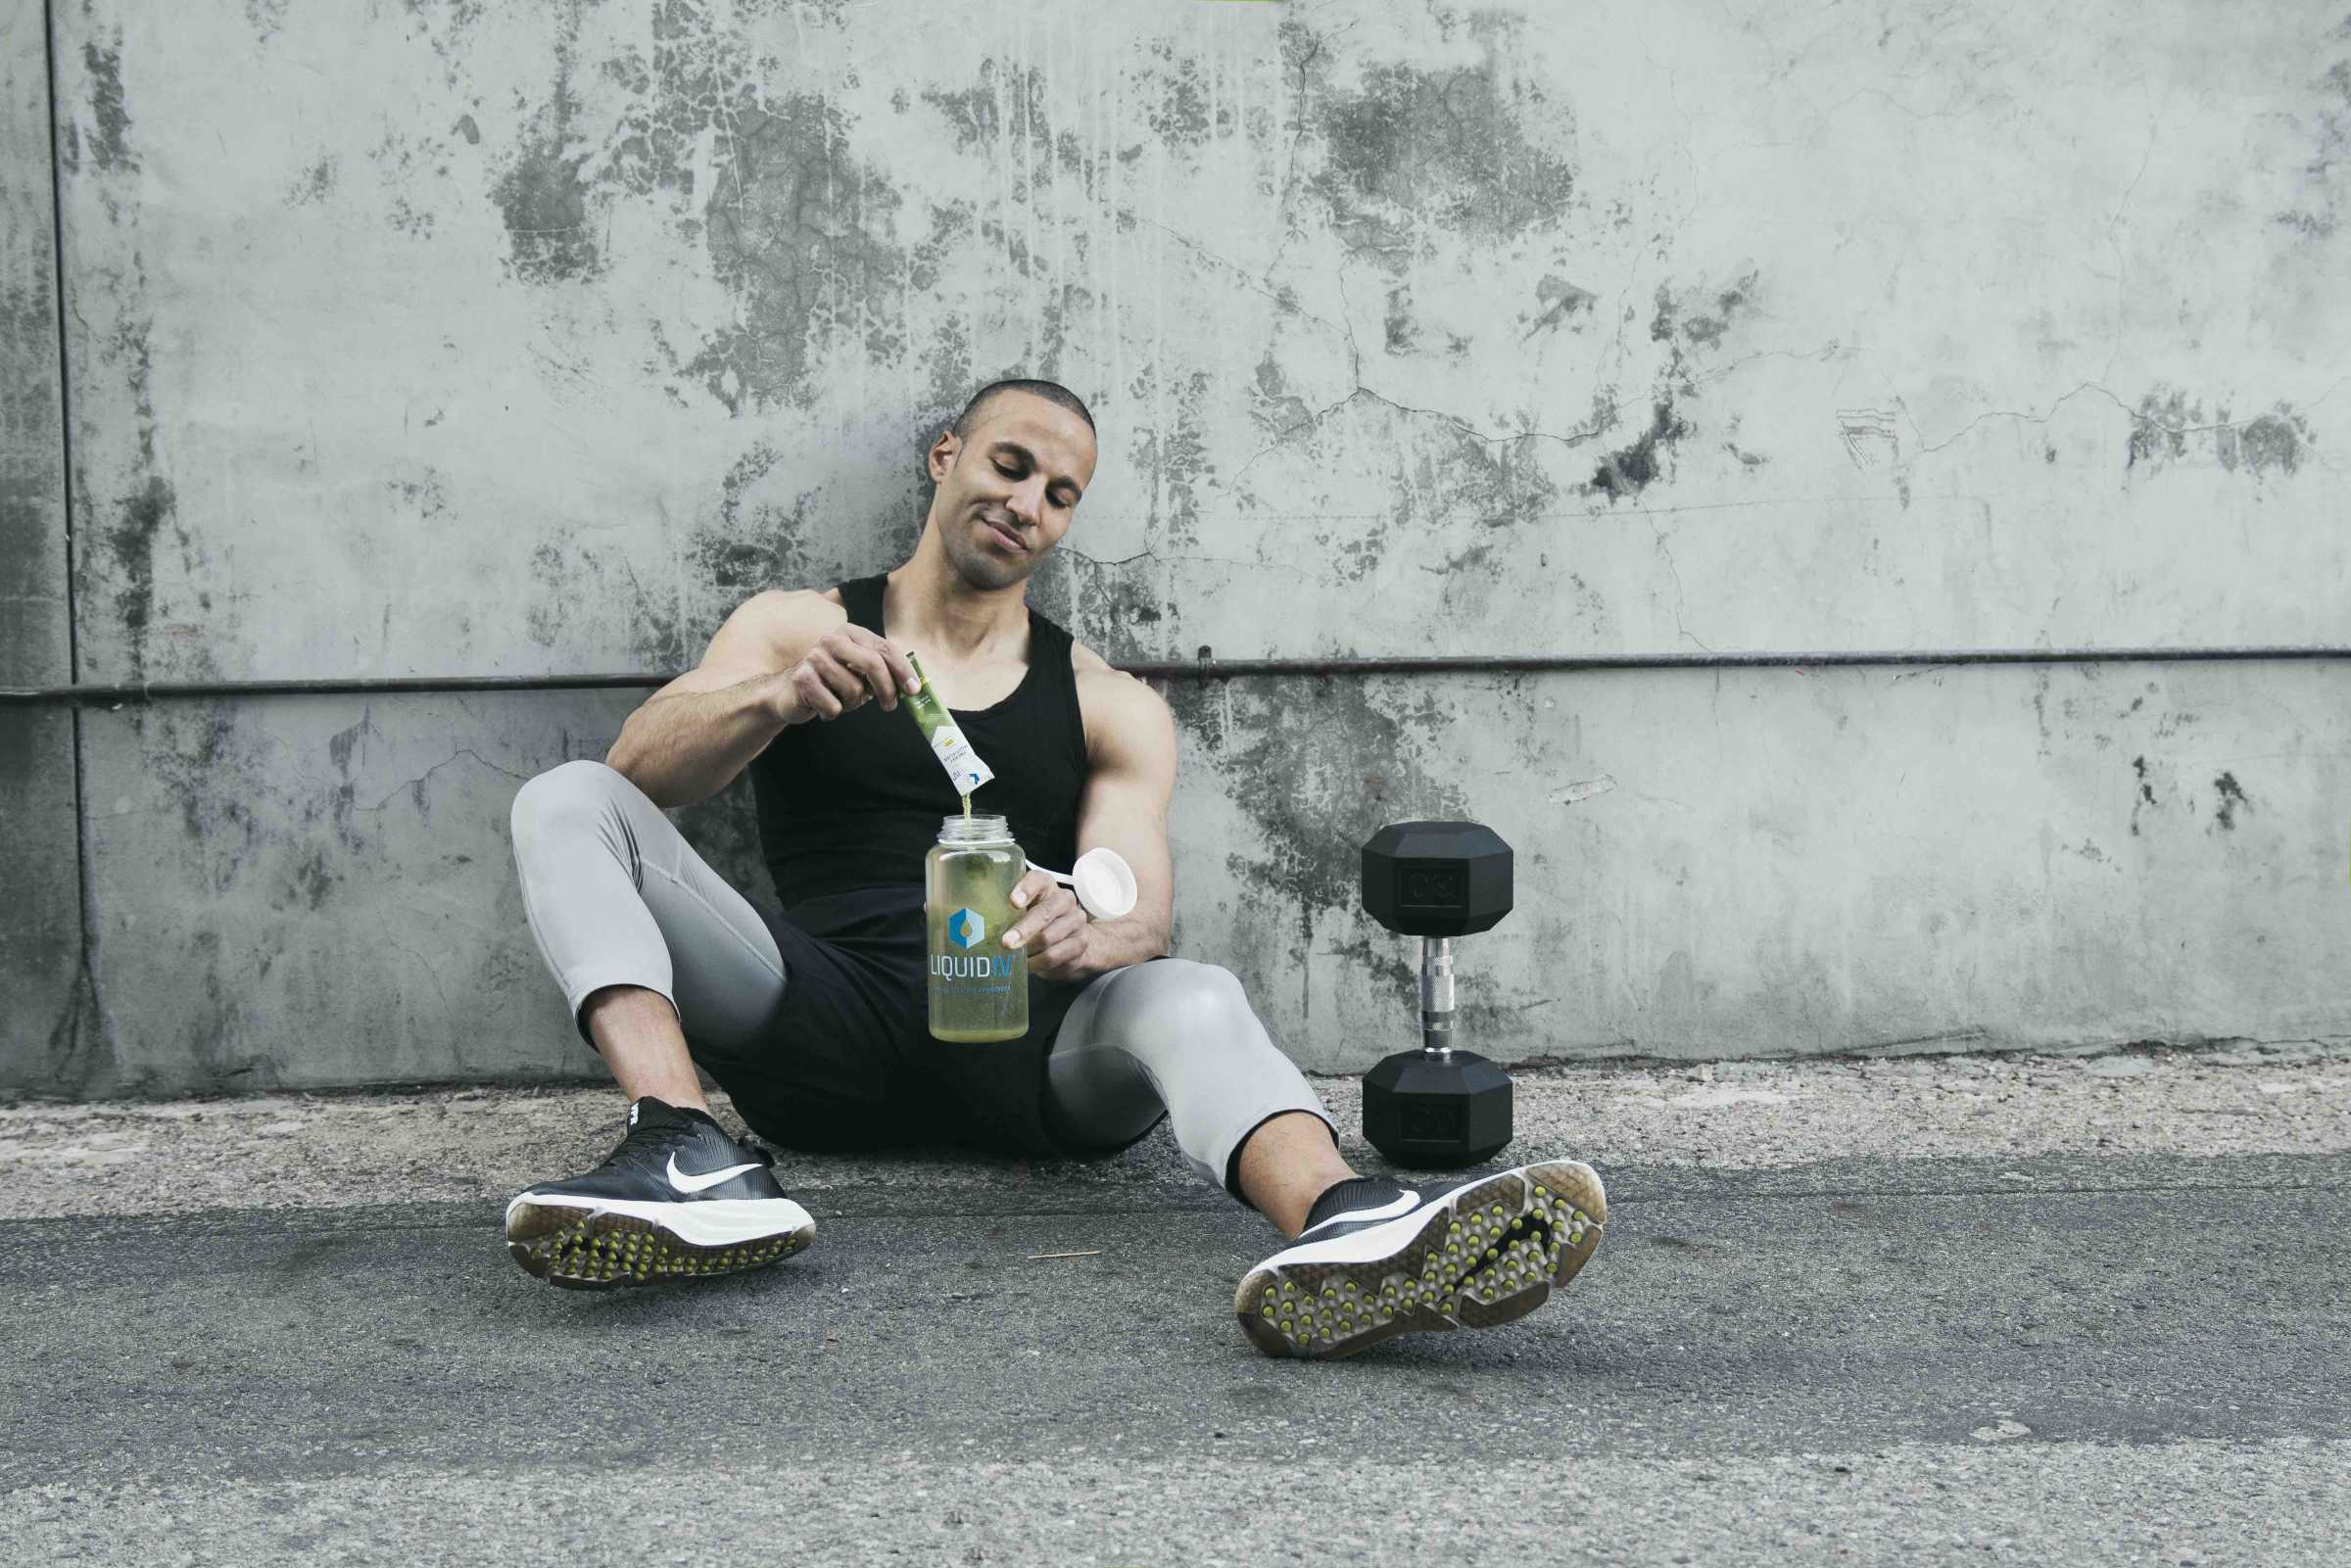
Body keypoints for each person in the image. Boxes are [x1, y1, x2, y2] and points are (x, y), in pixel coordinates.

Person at [502, 378, 1606, 1357]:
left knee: (1195, 990)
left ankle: (1350, 1224)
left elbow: (1144, 906)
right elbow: (639, 771)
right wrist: (777, 693)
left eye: (1061, 492)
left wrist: (1089, 923)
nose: (1028, 502)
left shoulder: (1107, 698)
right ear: (947, 458)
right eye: (1010, 464)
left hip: (1026, 1041)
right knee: (564, 800)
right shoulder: (799, 624)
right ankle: (688, 1153)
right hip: (814, 1010)